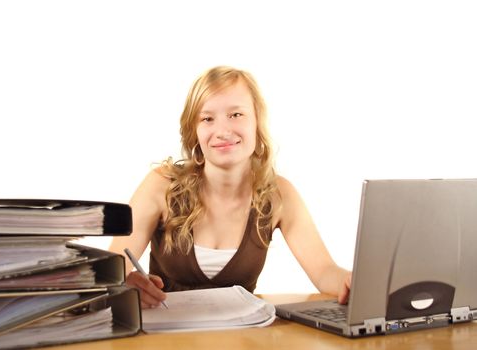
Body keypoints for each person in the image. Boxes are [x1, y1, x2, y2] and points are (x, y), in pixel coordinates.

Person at [109, 66, 351, 308]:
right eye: (207, 118)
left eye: (236, 115)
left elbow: (324, 271)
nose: (223, 131)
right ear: (195, 130)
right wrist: (124, 285)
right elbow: (109, 274)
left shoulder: (279, 194)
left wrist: (352, 282)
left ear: (257, 121)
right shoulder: (161, 186)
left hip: (242, 341)